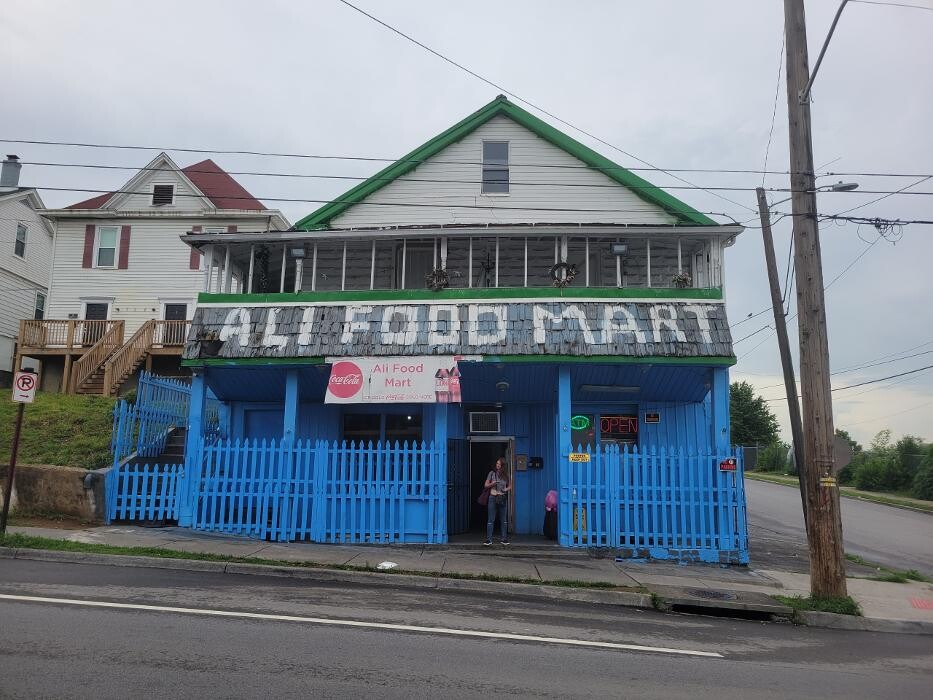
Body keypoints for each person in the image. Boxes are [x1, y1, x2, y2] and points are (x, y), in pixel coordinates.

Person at [484, 457, 511, 546]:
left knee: (503, 520)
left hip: (502, 497)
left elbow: (510, 486)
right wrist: (493, 483)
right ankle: (489, 539)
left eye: (499, 464)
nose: (497, 465)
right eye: (497, 463)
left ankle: (504, 539)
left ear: (503, 465)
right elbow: (486, 485)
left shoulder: (506, 475)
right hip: (493, 497)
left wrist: (505, 489)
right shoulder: (491, 473)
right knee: (491, 519)